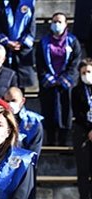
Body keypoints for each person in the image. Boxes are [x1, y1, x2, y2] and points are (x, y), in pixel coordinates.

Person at [36, 12, 82, 146]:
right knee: (48, 110)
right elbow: (39, 63)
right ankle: (50, 139)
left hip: (65, 84)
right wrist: (49, 79)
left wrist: (65, 79)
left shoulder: (73, 41)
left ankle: (63, 140)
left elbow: (75, 62)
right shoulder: (44, 42)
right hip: (49, 84)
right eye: (54, 21)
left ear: (66, 24)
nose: (57, 24)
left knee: (65, 111)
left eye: (60, 21)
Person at [0, 0, 36, 89]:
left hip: (22, 53)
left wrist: (21, 43)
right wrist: (6, 42)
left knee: (20, 89)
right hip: (5, 51)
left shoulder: (29, 3)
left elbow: (31, 27)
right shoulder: (1, 3)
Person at [71, 58, 92, 199]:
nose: (86, 75)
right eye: (84, 72)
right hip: (82, 132)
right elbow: (78, 113)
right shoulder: (76, 91)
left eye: (89, 72)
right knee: (83, 170)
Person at [4, 87, 43, 155]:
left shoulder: (33, 121)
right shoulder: (0, 118)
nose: (10, 104)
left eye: (13, 100)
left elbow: (35, 149)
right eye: (7, 101)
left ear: (22, 101)